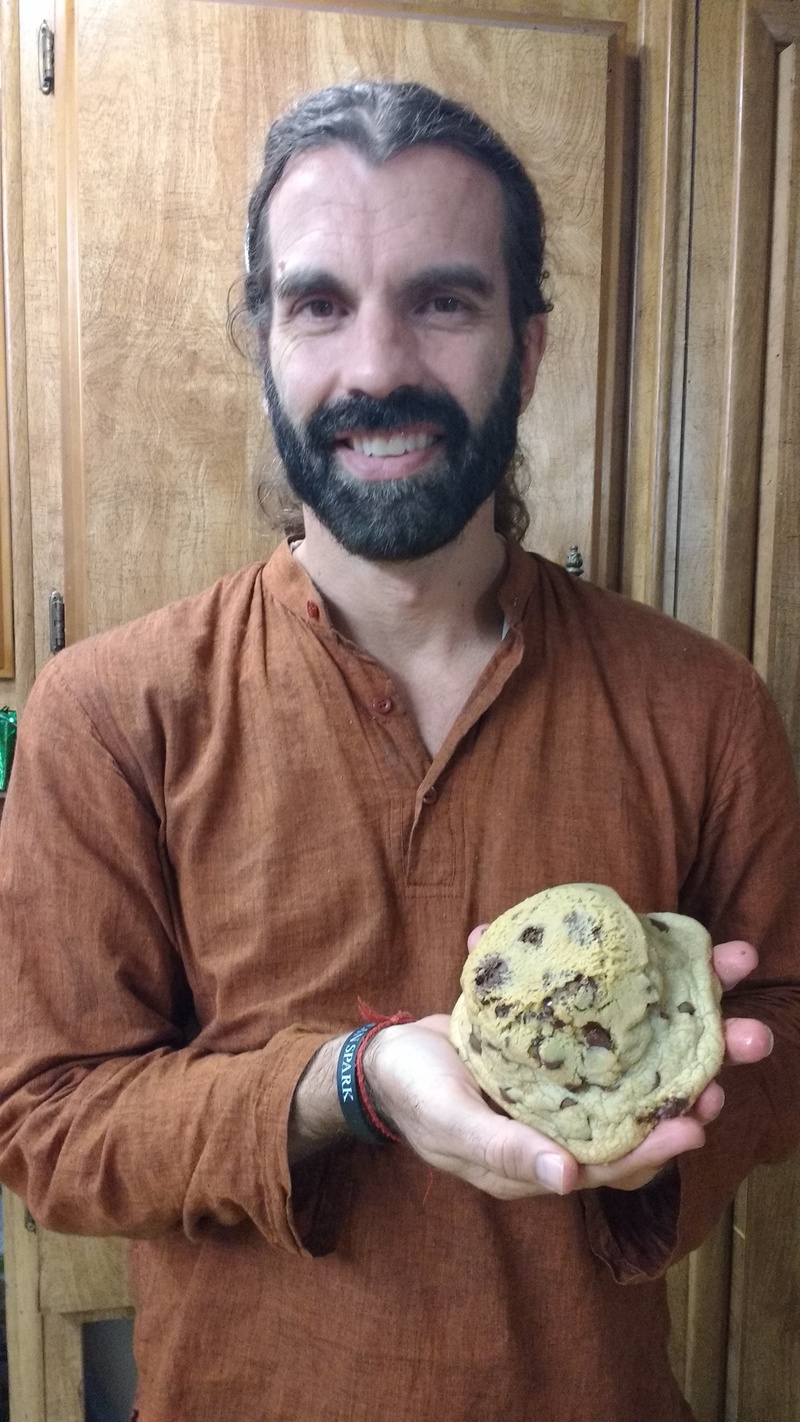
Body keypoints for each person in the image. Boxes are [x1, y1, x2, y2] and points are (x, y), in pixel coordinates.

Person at [0, 81, 798, 1422]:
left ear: (527, 347)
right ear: (262, 339)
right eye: (319, 304)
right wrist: (344, 1087)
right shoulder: (108, 712)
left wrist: (664, 1111)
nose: (376, 367)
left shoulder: (705, 704)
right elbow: (44, 1119)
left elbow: (784, 1034)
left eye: (443, 300)